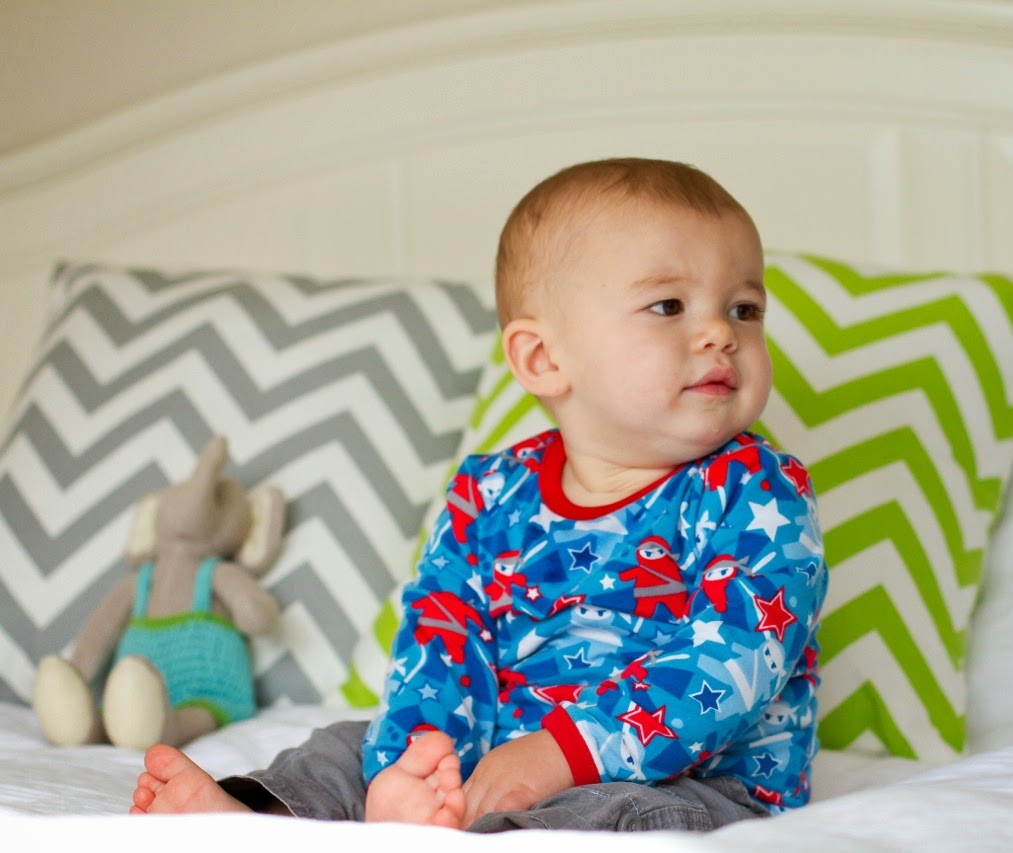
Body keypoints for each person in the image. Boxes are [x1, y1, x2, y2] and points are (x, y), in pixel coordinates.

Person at [129, 157, 828, 833]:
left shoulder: (759, 493)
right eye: (669, 305)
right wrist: (418, 761)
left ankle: (482, 832)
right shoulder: (490, 493)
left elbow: (735, 657)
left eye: (745, 308)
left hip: (690, 778)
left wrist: (558, 755)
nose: (721, 333)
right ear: (543, 358)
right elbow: (442, 632)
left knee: (617, 815)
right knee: (345, 746)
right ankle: (258, 820)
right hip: (490, 755)